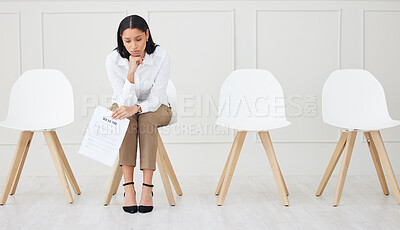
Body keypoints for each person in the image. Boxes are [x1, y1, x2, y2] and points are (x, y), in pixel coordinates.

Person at [105, 15, 172, 214]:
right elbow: (124, 102)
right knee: (125, 119)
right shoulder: (113, 60)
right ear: (121, 39)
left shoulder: (161, 55)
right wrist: (131, 73)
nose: (134, 46)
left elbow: (157, 97)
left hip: (157, 108)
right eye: (128, 41)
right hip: (126, 107)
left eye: (138, 39)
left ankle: (147, 188)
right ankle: (128, 188)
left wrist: (137, 109)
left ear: (147, 35)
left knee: (146, 120)